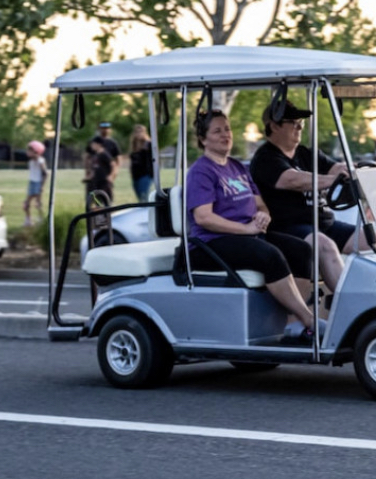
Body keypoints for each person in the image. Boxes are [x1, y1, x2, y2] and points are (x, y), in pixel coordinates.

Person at [187, 109, 322, 342]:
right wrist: (247, 230)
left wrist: (264, 217)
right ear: (203, 139)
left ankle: (291, 325)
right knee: (271, 255)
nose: (225, 135)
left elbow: (260, 204)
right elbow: (204, 218)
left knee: (302, 250)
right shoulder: (201, 171)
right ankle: (308, 319)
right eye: (217, 131)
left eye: (227, 129)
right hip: (211, 242)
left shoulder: (237, 167)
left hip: (248, 235)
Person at [249, 100, 355, 293]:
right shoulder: (265, 159)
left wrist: (360, 171)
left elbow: (337, 168)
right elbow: (293, 180)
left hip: (324, 223)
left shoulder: (306, 153)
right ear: (273, 126)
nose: (299, 126)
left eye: (301, 122)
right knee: (325, 245)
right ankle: (352, 308)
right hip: (287, 228)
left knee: (373, 239)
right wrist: (333, 180)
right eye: (293, 122)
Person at [23, 140, 48, 227]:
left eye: (30, 150)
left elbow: (45, 174)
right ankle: (28, 221)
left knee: (38, 204)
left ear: (36, 151)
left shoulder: (40, 161)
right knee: (26, 204)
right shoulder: (31, 161)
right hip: (32, 182)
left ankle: (41, 220)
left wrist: (42, 186)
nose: (28, 152)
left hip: (38, 183)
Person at [129, 124, 155, 202]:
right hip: (136, 175)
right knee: (140, 197)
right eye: (137, 132)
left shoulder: (148, 145)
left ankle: (146, 212)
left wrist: (151, 173)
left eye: (141, 132)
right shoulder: (134, 146)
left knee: (144, 196)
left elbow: (153, 160)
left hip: (145, 174)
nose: (139, 134)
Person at [85, 136, 114, 205]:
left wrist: (111, 176)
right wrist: (90, 176)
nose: (91, 146)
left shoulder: (105, 154)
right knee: (97, 201)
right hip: (96, 182)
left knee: (105, 201)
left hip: (104, 182)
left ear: (99, 144)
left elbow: (113, 165)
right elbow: (94, 168)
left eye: (93, 144)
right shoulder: (95, 155)